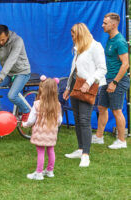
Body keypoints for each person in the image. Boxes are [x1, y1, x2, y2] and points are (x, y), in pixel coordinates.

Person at [63, 23, 107, 167]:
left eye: (73, 35)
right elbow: (74, 70)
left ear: (80, 33)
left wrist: (88, 82)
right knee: (77, 119)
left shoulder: (95, 46)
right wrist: (68, 87)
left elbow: (102, 69)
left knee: (84, 120)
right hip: (76, 86)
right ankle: (80, 149)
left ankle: (86, 155)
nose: (72, 38)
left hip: (88, 87)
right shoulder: (78, 48)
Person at [92, 13, 130, 149]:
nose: (103, 25)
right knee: (101, 107)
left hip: (117, 81)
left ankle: (121, 141)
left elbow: (125, 64)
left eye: (105, 23)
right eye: (103, 22)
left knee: (117, 111)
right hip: (106, 79)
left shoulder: (120, 41)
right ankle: (99, 137)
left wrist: (114, 83)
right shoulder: (110, 38)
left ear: (113, 25)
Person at [22, 78, 62, 180]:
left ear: (43, 90)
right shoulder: (57, 105)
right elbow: (60, 120)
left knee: (40, 152)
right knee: (51, 150)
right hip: (52, 132)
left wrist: (25, 124)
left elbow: (31, 120)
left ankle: (39, 173)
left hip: (40, 133)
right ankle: (50, 171)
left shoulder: (37, 104)